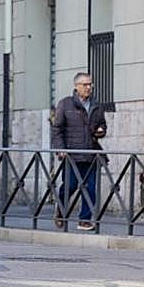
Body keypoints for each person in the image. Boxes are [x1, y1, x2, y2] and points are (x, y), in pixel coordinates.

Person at [51, 71, 107, 232]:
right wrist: (60, 149)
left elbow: (102, 125)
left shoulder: (96, 105)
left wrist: (101, 130)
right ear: (76, 86)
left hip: (91, 154)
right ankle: (60, 209)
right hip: (72, 155)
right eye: (85, 84)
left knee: (91, 189)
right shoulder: (65, 104)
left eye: (90, 84)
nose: (88, 87)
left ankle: (84, 220)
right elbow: (57, 129)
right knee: (70, 186)